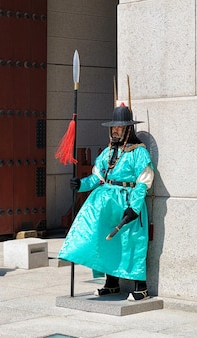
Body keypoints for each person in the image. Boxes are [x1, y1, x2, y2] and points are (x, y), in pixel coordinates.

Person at [58, 104, 154, 301]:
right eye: (113, 128)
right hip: (105, 205)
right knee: (105, 241)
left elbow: (143, 182)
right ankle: (111, 283)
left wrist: (134, 207)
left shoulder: (139, 153)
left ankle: (141, 287)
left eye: (119, 127)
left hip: (127, 202)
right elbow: (97, 178)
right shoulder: (108, 152)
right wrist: (80, 184)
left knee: (131, 243)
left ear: (128, 129)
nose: (115, 131)